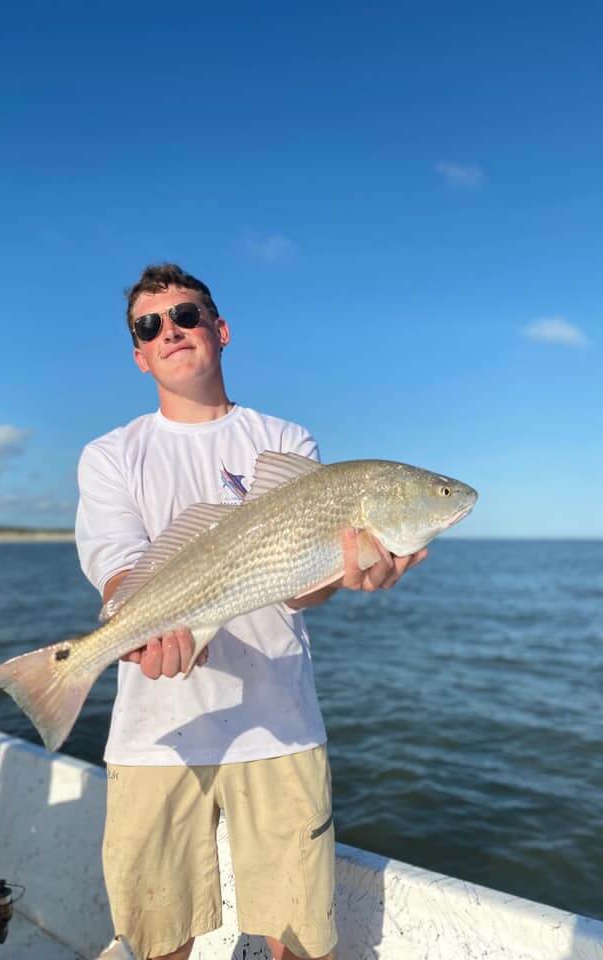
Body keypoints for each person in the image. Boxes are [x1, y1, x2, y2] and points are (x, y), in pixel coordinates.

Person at [75, 264, 426, 960]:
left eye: (187, 315)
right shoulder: (110, 454)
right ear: (140, 354)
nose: (171, 331)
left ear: (221, 329)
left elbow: (301, 584)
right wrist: (137, 630)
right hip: (154, 732)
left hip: (281, 726)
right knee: (156, 941)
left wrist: (346, 572)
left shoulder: (286, 443)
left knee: (299, 941)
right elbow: (119, 565)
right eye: (151, 326)